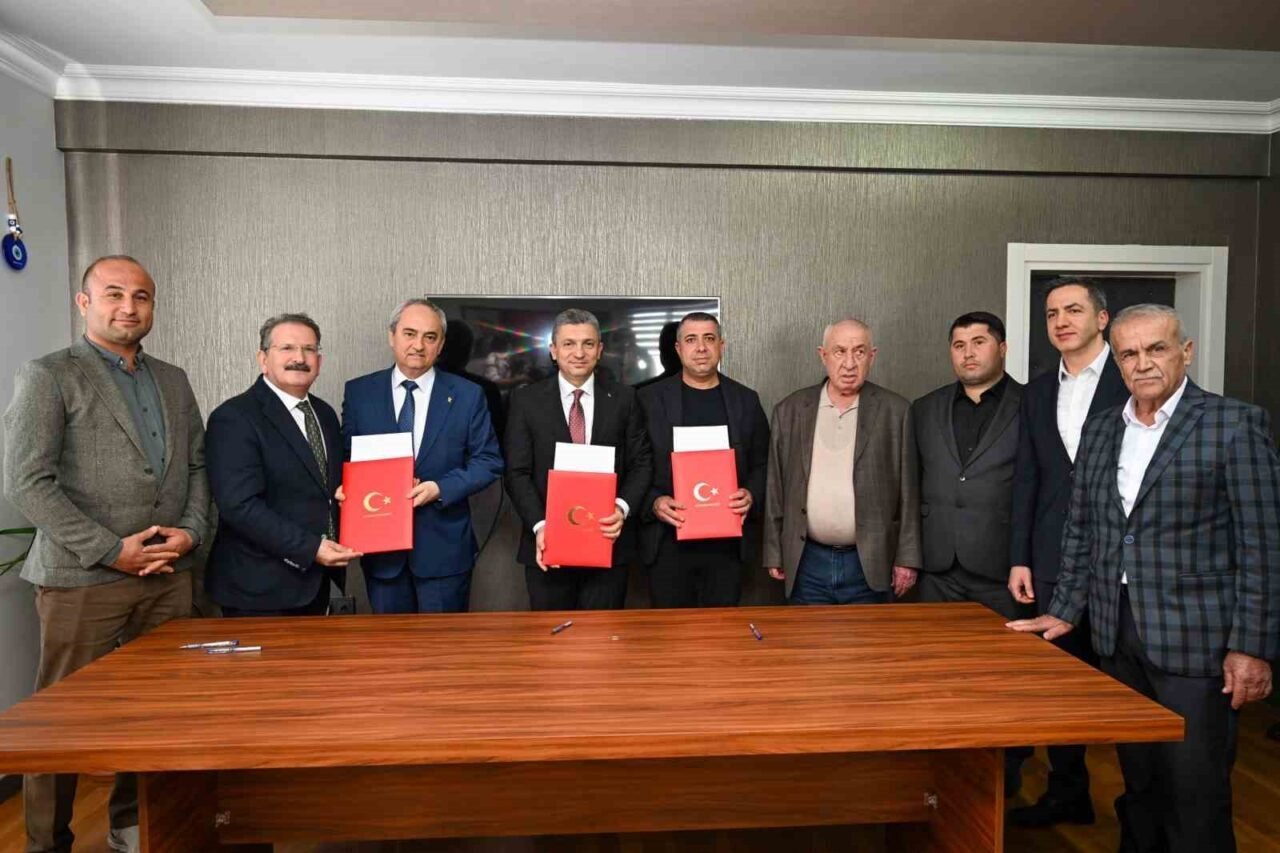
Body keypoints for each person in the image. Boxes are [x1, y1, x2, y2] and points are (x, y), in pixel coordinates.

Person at [1009, 304, 1279, 853]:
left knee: (1194, 791)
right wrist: (1065, 608)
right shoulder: (1103, 428)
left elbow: (1264, 545)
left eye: (1157, 349)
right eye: (1129, 353)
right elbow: (1082, 527)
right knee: (1139, 783)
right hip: (1118, 634)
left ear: (1186, 352)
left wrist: (1251, 647)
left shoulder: (1233, 424)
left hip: (1197, 644)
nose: (1143, 363)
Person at [3, 255, 210, 853]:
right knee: (60, 719)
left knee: (157, 713)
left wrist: (191, 532)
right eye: (114, 294)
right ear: (84, 302)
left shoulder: (173, 379)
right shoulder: (49, 375)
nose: (129, 307)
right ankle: (47, 842)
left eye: (141, 296)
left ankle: (130, 821)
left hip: (168, 574)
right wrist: (110, 550)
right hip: (83, 579)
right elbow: (28, 481)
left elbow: (197, 466)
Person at [1007, 277, 1127, 827]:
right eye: (1052, 313)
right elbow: (1028, 477)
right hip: (1054, 559)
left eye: (1074, 310)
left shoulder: (1133, 378)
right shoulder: (1036, 392)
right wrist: (1021, 556)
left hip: (1126, 564)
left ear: (1101, 319)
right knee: (1060, 684)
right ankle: (1068, 794)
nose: (1061, 321)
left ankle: (1141, 807)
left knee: (1128, 687)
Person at [911, 311, 1029, 795]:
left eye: (979, 342)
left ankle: (1004, 784)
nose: (968, 353)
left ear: (1002, 348)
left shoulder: (1033, 404)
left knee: (1004, 684)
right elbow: (910, 484)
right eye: (959, 345)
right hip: (937, 567)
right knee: (937, 678)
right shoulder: (925, 408)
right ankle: (941, 782)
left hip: (1003, 570)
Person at [342, 299, 503, 613]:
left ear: (440, 345)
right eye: (409, 334)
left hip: (444, 549)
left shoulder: (468, 395)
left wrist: (440, 488)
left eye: (430, 337)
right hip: (381, 548)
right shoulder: (360, 393)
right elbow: (347, 457)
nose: (418, 345)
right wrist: (344, 485)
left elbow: (489, 461)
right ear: (392, 336)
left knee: (443, 642)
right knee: (390, 641)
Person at [204, 313, 359, 617]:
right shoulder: (234, 417)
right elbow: (239, 506)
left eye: (309, 349)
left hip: (315, 583)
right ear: (263, 359)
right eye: (287, 348)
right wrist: (311, 548)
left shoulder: (324, 414)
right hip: (258, 588)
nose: (299, 358)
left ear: (319, 360)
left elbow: (326, 487)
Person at [504, 308, 653, 610]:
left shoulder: (625, 398)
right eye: (569, 344)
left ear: (600, 350)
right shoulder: (525, 400)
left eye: (588, 344)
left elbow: (642, 462)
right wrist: (540, 525)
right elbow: (516, 472)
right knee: (551, 635)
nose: (579, 353)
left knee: (603, 635)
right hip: (547, 546)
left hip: (608, 543)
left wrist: (621, 508)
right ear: (553, 350)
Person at [763, 318, 921, 604]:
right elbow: (775, 488)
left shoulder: (896, 411)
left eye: (859, 352)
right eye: (839, 351)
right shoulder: (790, 410)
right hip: (807, 560)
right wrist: (774, 551)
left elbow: (909, 492)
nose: (849, 363)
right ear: (823, 355)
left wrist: (907, 559)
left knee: (869, 635)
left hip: (871, 561)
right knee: (808, 634)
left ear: (872, 356)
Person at [637, 312, 769, 607]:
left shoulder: (746, 400)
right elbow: (633, 465)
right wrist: (654, 502)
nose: (701, 348)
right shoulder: (648, 400)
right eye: (691, 340)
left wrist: (751, 494)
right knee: (670, 631)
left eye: (709, 339)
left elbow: (764, 463)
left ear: (721, 345)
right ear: (678, 348)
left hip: (727, 546)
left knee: (721, 630)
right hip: (667, 542)